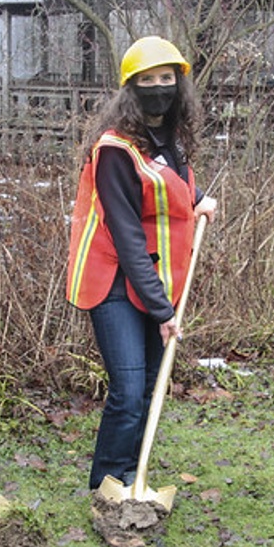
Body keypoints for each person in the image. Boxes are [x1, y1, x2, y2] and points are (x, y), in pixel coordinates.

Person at [65, 36, 218, 507]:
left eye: (166, 78)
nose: (159, 88)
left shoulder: (169, 140)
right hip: (113, 282)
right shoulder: (114, 150)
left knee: (151, 385)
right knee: (129, 389)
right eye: (147, 80)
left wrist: (197, 201)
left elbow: (166, 190)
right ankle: (106, 487)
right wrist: (163, 310)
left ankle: (133, 474)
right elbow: (128, 236)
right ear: (130, 88)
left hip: (153, 282)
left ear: (179, 83)